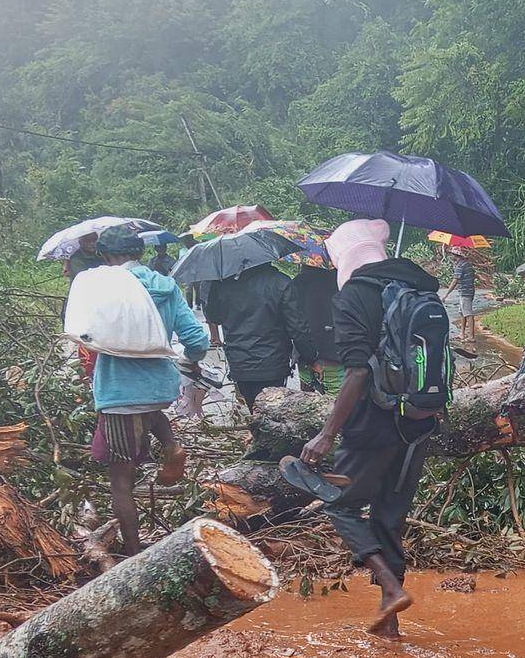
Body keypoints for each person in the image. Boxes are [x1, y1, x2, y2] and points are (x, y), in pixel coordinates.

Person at [300, 219, 441, 638]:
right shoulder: (420, 289)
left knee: (339, 504)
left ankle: (392, 588)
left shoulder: (354, 296)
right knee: (389, 516)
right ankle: (389, 622)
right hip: (419, 421)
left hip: (373, 424)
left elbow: (356, 372)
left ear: (345, 258)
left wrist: (326, 434)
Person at [86, 226, 209, 557]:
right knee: (149, 412)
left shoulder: (102, 289)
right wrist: (191, 361)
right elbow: (196, 340)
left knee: (121, 483)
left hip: (119, 392)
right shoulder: (166, 286)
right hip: (158, 387)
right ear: (140, 252)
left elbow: (83, 333)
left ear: (107, 256)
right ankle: (171, 444)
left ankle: (133, 553)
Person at [202, 261, 295, 407]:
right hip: (275, 362)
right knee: (273, 410)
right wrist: (310, 356)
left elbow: (214, 317)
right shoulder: (281, 282)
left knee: (252, 408)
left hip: (240, 362)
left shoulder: (223, 285)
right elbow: (296, 324)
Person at [284, 263, 342, 393]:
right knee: (335, 404)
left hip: (305, 352)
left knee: (305, 401)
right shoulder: (342, 281)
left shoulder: (296, 283)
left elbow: (295, 324)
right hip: (334, 354)